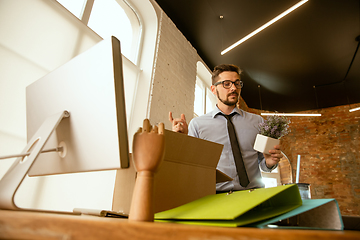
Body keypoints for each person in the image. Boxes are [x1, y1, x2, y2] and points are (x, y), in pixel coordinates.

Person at [169, 64, 283, 192]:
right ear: (213, 89)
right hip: (216, 196)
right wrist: (181, 140)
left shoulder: (258, 122)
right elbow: (190, 166)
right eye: (227, 84)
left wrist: (269, 163)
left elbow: (264, 164)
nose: (233, 88)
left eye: (237, 83)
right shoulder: (197, 124)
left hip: (254, 194)